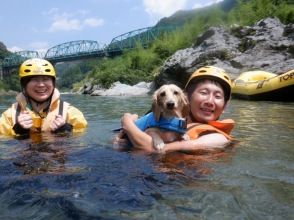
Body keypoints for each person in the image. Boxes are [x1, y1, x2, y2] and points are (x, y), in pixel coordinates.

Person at [116, 66, 235, 153]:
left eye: (218, 96)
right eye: (204, 93)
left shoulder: (217, 138)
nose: (209, 101)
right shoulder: (163, 116)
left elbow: (153, 148)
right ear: (187, 98)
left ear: (224, 106)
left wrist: (127, 123)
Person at [0, 58, 87, 137]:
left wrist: (66, 131)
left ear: (53, 84)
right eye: (34, 80)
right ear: (24, 85)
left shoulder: (71, 113)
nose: (41, 85)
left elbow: (82, 142)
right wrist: (17, 131)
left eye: (45, 79)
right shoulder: (9, 116)